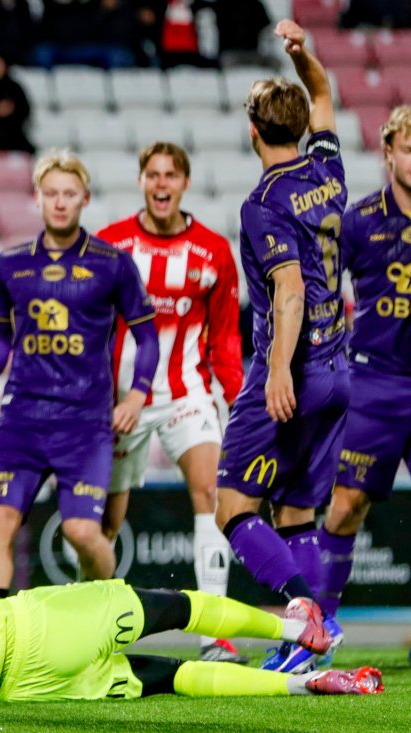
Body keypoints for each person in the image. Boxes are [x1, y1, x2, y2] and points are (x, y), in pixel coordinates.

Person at [0, 499, 382, 703]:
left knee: (170, 679)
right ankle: (297, 630)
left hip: (25, 686)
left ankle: (310, 685)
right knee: (175, 607)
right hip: (30, 628)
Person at [0, 150, 159, 594]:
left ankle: (107, 611)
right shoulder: (10, 264)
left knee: (83, 532)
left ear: (84, 198)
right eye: (52, 194)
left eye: (69, 194)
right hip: (21, 421)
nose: (60, 202)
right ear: (38, 198)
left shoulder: (112, 263)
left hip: (84, 424)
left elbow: (148, 336)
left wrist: (136, 395)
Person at [214, 20, 348, 675]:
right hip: (339, 367)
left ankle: (304, 613)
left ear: (252, 131)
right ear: (298, 124)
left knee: (233, 507)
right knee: (296, 509)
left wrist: (273, 372)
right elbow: (323, 91)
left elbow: (288, 290)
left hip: (294, 369)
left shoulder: (262, 201)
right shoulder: (329, 164)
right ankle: (310, 646)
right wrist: (302, 53)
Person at [97, 142, 245, 664]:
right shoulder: (111, 246)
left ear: (184, 183)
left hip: (187, 393)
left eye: (171, 175)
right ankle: (89, 634)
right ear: (141, 181)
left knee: (212, 494)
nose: (161, 184)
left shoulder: (212, 251)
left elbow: (226, 338)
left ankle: (215, 636)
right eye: (152, 175)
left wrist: (236, 397)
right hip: (121, 400)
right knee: (104, 521)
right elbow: (91, 327)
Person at [316, 106, 411, 630]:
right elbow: (323, 290)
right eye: (409, 147)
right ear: (389, 153)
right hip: (375, 380)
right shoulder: (359, 219)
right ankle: (321, 624)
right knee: (348, 500)